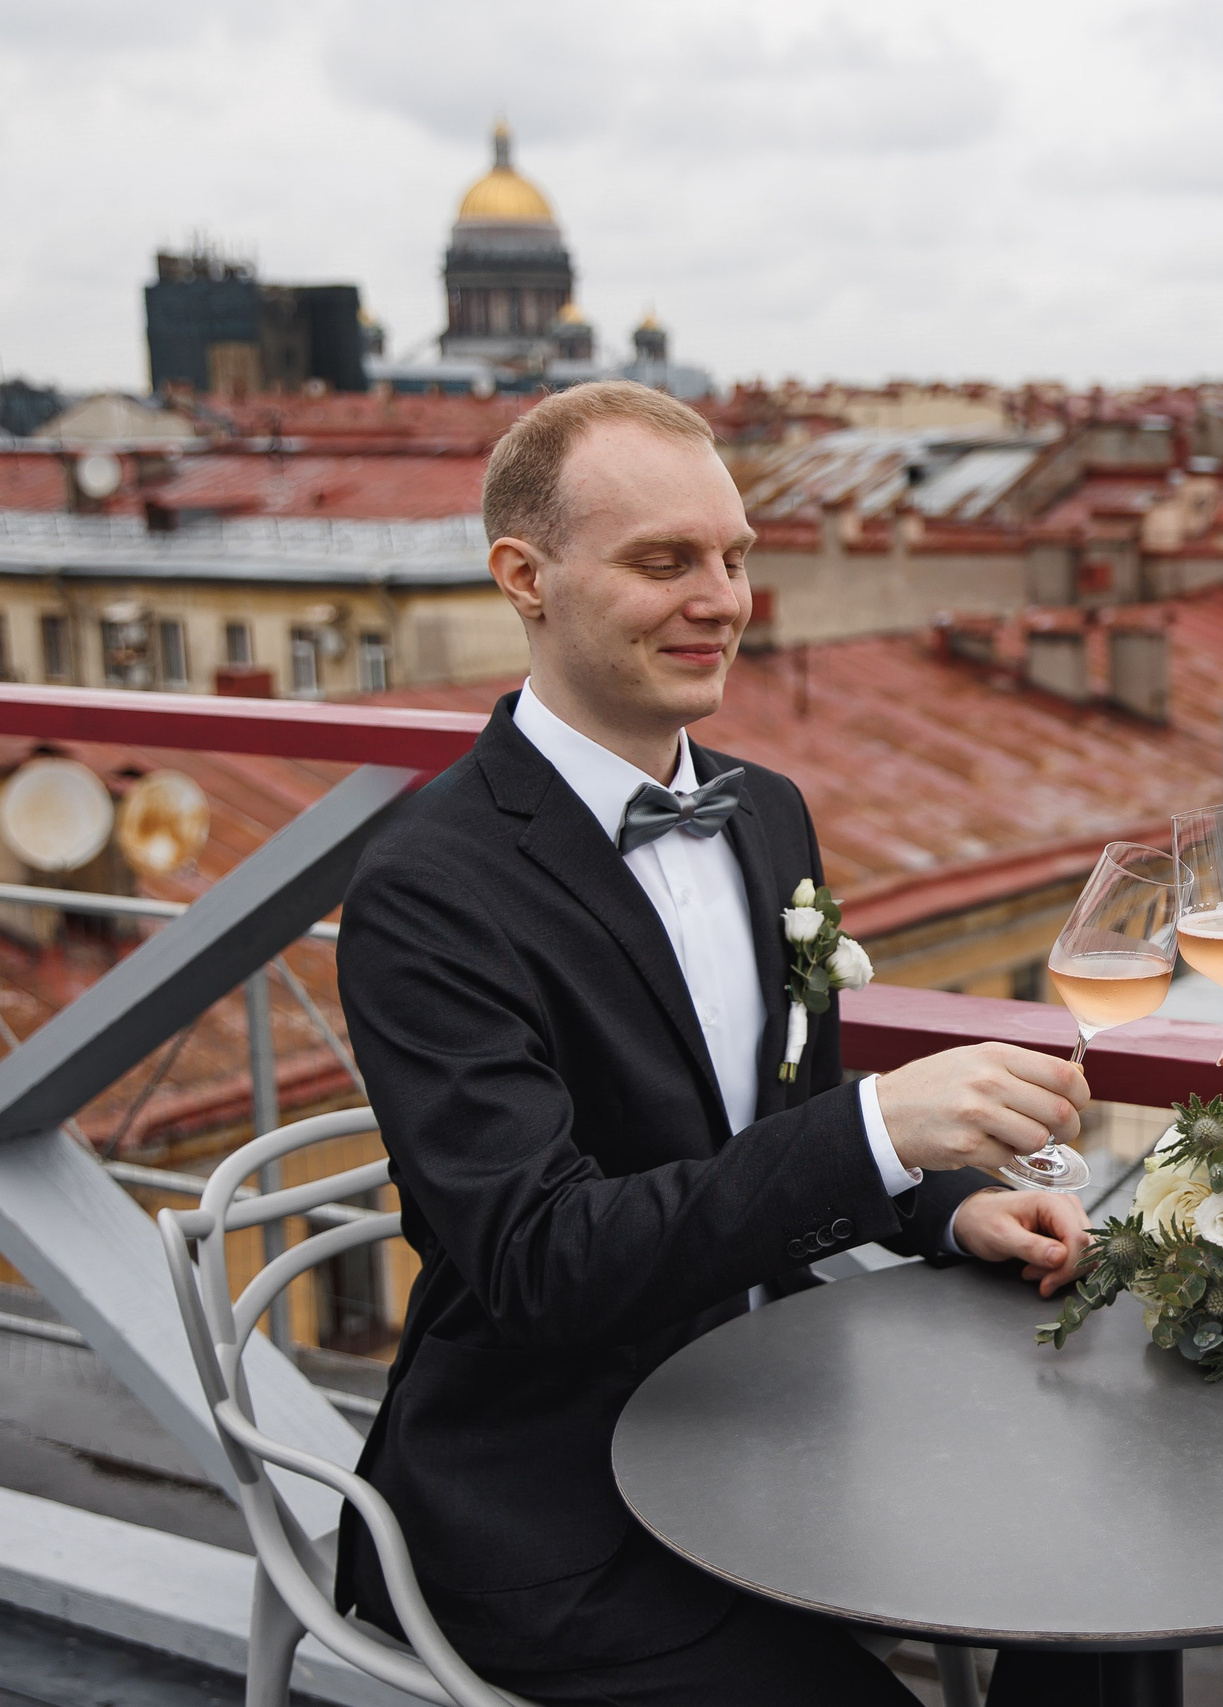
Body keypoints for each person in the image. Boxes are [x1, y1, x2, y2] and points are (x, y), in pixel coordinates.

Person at [336, 381, 1105, 1704]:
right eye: (664, 563)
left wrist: (945, 1207)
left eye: (735, 557)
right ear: (524, 578)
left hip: (778, 1403)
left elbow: (773, 1120)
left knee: (1092, 1574)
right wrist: (876, 1130)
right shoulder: (427, 888)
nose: (723, 600)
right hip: (555, 1491)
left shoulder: (768, 814)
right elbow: (539, 1266)